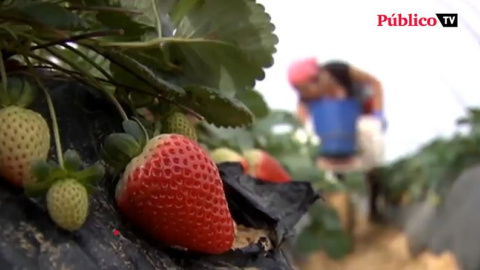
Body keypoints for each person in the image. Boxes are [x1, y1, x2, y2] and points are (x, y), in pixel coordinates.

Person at [287, 57, 387, 223]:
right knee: (333, 167)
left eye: (303, 89)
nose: (302, 94)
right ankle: (339, 216)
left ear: (318, 78)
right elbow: (301, 119)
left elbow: (375, 83)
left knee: (373, 166)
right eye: (298, 90)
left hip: (362, 118)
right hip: (336, 136)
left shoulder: (340, 71)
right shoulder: (306, 98)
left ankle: (374, 206)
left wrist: (378, 113)